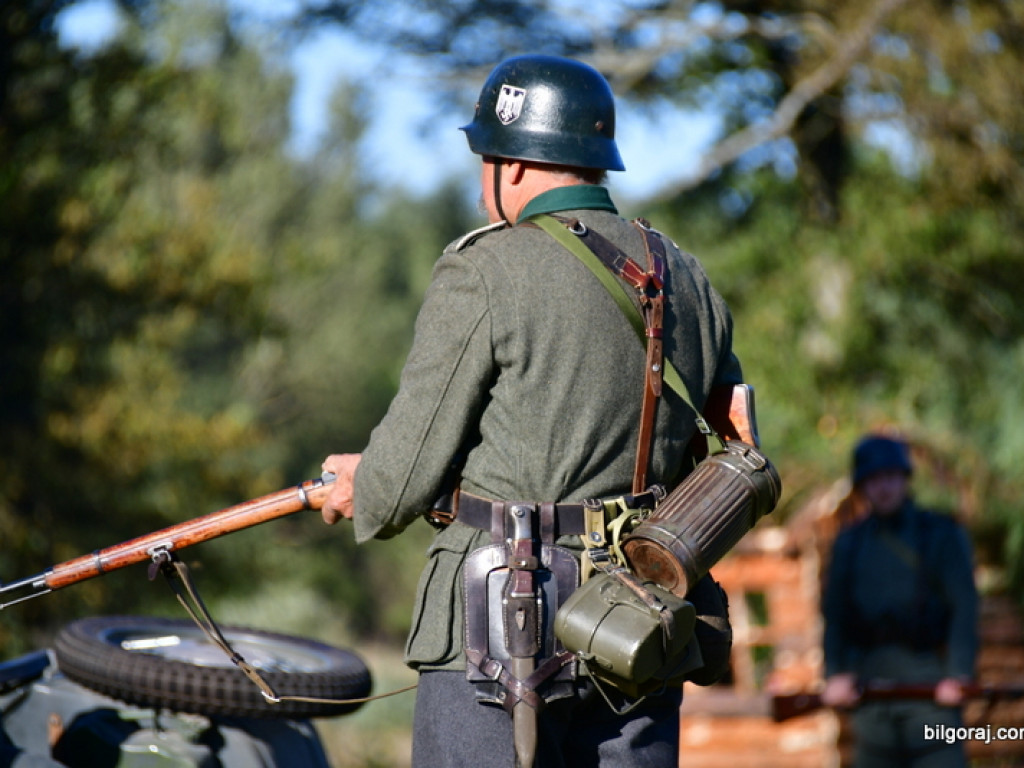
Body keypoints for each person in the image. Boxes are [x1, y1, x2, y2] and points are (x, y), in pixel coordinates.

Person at [320, 54, 744, 768]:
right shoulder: (685, 275)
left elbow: (398, 483)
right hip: (639, 624)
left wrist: (365, 479)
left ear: (510, 166)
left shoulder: (485, 267)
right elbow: (734, 442)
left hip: (500, 631)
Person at [821, 434, 979, 768]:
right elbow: (835, 615)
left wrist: (959, 673)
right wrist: (835, 673)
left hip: (931, 689)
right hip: (871, 696)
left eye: (891, 477)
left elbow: (965, 605)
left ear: (905, 479)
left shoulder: (940, 534)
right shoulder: (848, 543)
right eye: (874, 479)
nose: (884, 487)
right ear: (862, 486)